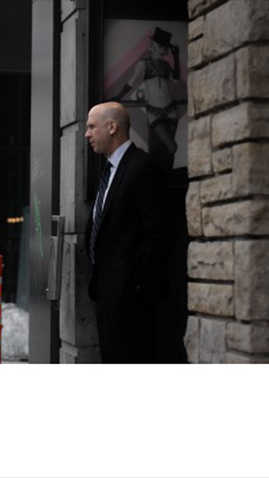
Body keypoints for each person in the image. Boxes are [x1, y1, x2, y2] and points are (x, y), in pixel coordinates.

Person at [84, 102, 172, 363]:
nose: (87, 134)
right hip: (106, 294)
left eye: (92, 127)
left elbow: (159, 235)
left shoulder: (143, 168)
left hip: (131, 300)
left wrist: (136, 286)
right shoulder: (109, 169)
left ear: (112, 127)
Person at [113, 27, 182, 176]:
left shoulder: (166, 65)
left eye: (163, 47)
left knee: (167, 150)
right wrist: (118, 97)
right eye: (158, 45)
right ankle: (156, 175)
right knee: (170, 147)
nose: (160, 49)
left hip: (171, 109)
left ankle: (165, 177)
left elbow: (176, 78)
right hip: (154, 110)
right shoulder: (143, 64)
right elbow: (131, 82)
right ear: (153, 45)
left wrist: (176, 57)